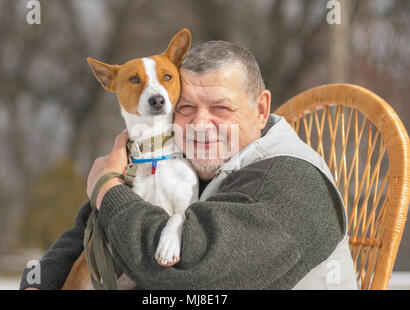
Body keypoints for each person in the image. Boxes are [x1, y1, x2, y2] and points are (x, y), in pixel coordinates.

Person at [20, 41, 358, 290]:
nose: (199, 124)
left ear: (260, 108)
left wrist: (107, 187)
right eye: (186, 108)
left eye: (221, 109)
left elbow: (188, 273)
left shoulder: (293, 184)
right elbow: (98, 225)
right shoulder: (198, 161)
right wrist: (42, 282)